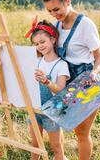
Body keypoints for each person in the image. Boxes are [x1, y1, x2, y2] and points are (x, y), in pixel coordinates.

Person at [42, 0, 100, 160]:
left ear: (67, 1)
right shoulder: (56, 25)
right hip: (65, 83)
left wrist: (94, 73)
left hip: (87, 82)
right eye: (50, 11)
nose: (54, 14)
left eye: (57, 9)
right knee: (55, 123)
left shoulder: (85, 25)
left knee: (81, 133)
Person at [25, 18, 70, 160]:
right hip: (36, 110)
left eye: (42, 42)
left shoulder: (61, 65)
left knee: (56, 147)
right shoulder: (36, 61)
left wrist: (46, 81)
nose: (39, 46)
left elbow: (61, 91)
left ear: (53, 39)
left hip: (53, 111)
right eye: (36, 44)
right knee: (35, 143)